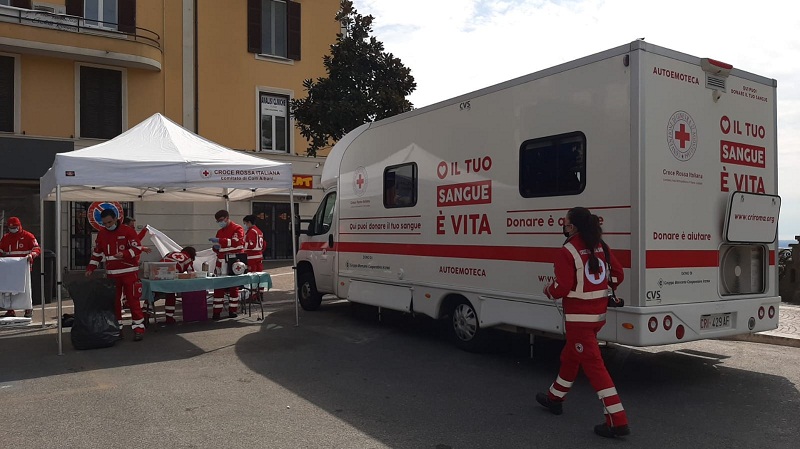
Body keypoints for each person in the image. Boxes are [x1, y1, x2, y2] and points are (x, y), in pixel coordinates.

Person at [536, 207, 630, 438]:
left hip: (579, 321)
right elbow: (617, 275)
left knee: (595, 369)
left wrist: (549, 290)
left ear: (573, 226)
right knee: (569, 357)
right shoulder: (601, 246)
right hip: (597, 317)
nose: (564, 227)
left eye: (566, 224)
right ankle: (555, 398)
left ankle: (617, 421)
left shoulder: (568, 250)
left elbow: (563, 287)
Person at [85, 209, 146, 341]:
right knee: (114, 303)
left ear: (116, 219)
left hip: (129, 272)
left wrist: (124, 254)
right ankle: (117, 328)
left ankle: (139, 328)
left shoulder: (127, 231)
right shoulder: (102, 234)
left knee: (132, 300)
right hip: (112, 275)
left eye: (109, 222)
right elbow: (97, 253)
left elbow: (137, 248)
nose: (107, 225)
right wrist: (91, 268)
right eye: (105, 223)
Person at [0, 217, 41, 318]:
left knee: (26, 289)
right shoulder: (6, 238)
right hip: (9, 269)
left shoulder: (28, 236)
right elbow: (1, 250)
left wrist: (31, 255)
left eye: (14, 227)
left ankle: (28, 308)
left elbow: (36, 249)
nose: (13, 229)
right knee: (9, 290)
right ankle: (10, 309)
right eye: (11, 228)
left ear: (19, 226)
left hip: (24, 269)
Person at [209, 210, 244, 319]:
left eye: (220, 220)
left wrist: (221, 241)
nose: (220, 222)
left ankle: (232, 310)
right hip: (220, 261)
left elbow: (237, 243)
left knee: (233, 287)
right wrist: (215, 247)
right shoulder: (220, 231)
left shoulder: (237, 229)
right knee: (218, 287)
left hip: (232, 261)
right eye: (217, 221)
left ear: (227, 218)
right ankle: (216, 312)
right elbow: (217, 248)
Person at [160, 246, 196, 324]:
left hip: (158, 274)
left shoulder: (171, 253)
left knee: (152, 295)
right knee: (170, 295)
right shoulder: (188, 259)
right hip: (170, 277)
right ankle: (169, 318)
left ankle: (146, 314)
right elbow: (191, 273)